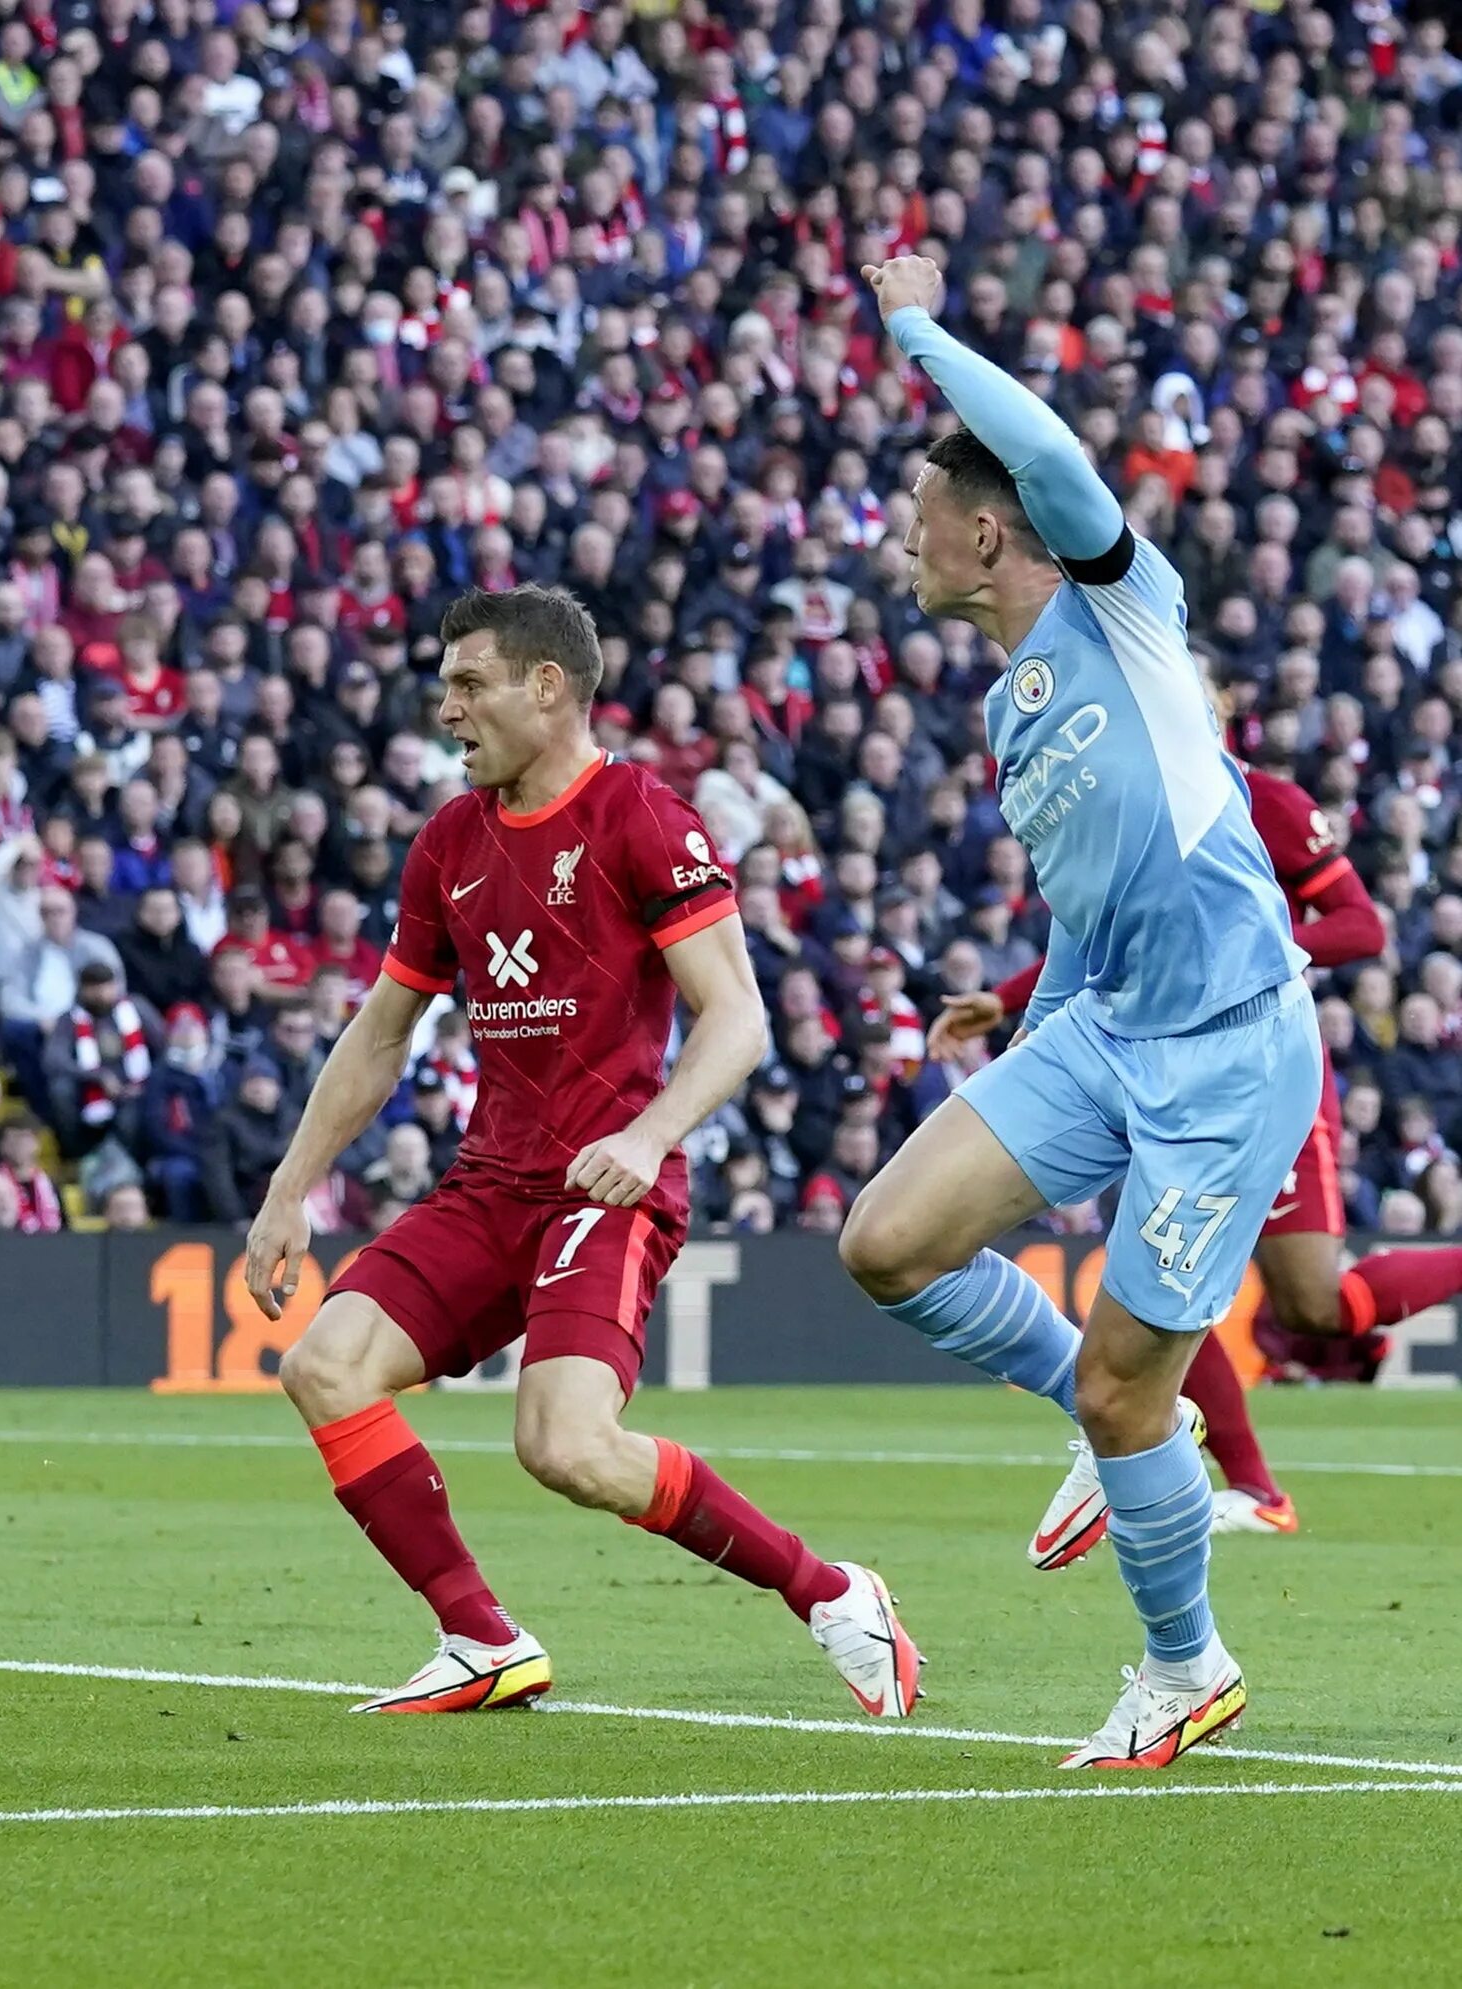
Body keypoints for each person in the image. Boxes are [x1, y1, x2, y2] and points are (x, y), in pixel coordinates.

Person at [244, 587, 915, 1720]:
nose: (447, 708)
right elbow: (381, 1031)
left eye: (469, 684)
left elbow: (738, 1019)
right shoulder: (451, 841)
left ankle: (834, 1594)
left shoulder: (642, 817)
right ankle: (480, 1640)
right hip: (487, 1185)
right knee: (322, 1367)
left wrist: (648, 1138)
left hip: (603, 1190)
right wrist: (288, 1191)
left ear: (545, 687)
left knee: (564, 1446)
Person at [837, 255, 1319, 1771]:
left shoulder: (1127, 609)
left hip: (1232, 1047)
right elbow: (1091, 883)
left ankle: (1185, 1668)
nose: (904, 541)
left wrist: (914, 325)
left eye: (922, 516)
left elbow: (1050, 455)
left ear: (991, 531)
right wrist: (1038, 1004)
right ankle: (1141, 1432)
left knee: (1123, 1386)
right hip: (1108, 1026)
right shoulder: (1007, 701)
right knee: (886, 1243)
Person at [928, 713, 1438, 1539]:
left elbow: (1361, 926)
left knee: (1317, 1301)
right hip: (1156, 1069)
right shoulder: (1131, 808)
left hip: (1260, 1070)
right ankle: (1254, 1488)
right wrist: (1008, 995)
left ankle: (1241, 1483)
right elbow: (1100, 936)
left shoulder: (1263, 801)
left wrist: (1248, 950)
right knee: (1165, 1270)